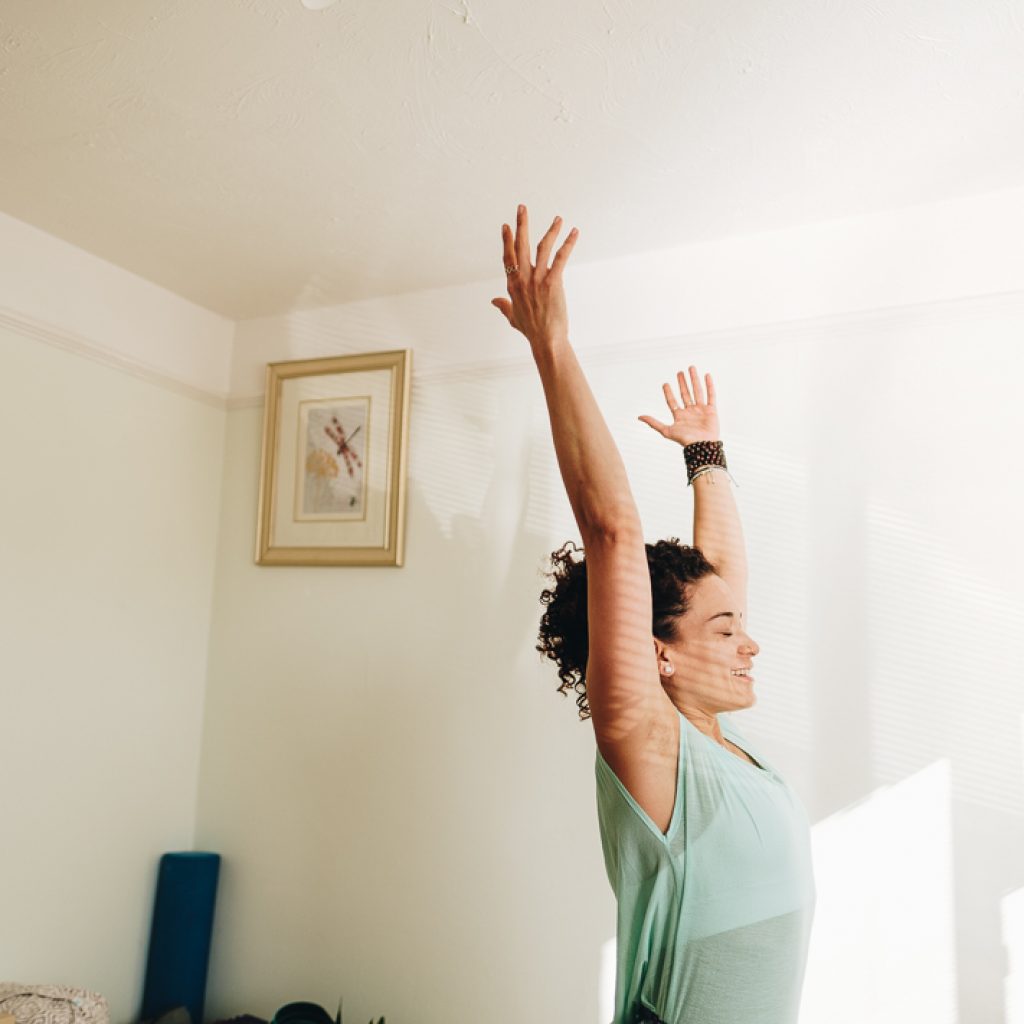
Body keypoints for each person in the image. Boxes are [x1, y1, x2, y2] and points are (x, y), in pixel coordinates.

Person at [491, 205, 817, 1024]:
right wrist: (552, 346)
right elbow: (612, 530)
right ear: (657, 654)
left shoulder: (722, 745)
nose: (751, 641)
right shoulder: (649, 744)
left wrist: (705, 455)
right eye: (724, 631)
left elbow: (721, 578)